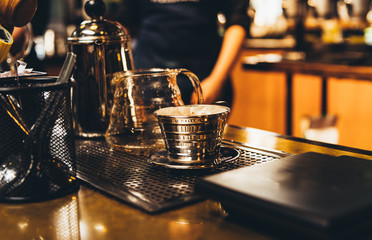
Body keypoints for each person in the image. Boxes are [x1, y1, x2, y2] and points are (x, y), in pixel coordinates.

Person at [112, 0, 250, 105]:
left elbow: (237, 22)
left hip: (203, 79)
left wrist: (217, 80)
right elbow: (125, 23)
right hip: (146, 81)